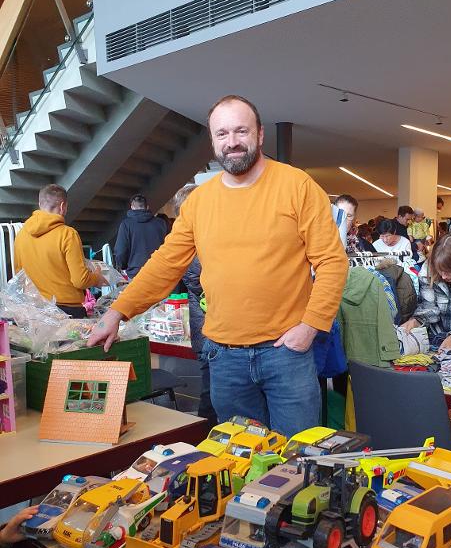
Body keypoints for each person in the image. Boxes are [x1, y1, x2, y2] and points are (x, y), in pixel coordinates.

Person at [87, 95, 348, 437]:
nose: (233, 142)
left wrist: (310, 326)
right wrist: (117, 311)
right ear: (212, 140)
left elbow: (331, 261)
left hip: (286, 354)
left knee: (297, 464)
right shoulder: (199, 202)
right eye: (222, 134)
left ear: (260, 135)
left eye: (241, 131)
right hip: (225, 359)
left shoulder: (297, 186)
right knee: (240, 461)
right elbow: (166, 263)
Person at [13, 184, 106, 318]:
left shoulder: (21, 235)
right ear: (63, 206)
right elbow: (80, 280)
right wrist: (97, 277)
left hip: (35, 312)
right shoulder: (68, 234)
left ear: (40, 204)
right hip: (67, 312)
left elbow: (20, 276)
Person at [173, 183, 217, 424]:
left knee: (215, 388)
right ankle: (207, 437)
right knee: (211, 391)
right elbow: (199, 281)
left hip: (207, 327)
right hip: (207, 328)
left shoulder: (201, 236)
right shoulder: (189, 241)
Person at [402, 233, 451, 350]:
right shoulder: (427, 273)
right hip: (435, 338)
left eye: (449, 270)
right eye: (440, 270)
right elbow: (428, 307)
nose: (443, 276)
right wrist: (416, 321)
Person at [114, 195, 168, 279]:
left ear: (132, 207)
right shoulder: (161, 223)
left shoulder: (126, 224)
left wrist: (122, 266)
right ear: (147, 207)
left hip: (136, 272)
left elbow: (121, 250)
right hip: (159, 270)